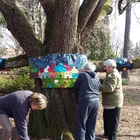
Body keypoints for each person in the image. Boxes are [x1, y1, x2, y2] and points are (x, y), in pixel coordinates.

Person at [73, 62, 101, 140]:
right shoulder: (96, 77)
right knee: (91, 123)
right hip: (96, 101)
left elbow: (75, 87)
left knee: (81, 123)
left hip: (85, 100)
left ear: (85, 69)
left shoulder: (83, 75)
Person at [99, 59, 124, 140]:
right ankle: (107, 134)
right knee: (107, 118)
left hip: (114, 102)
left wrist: (96, 86)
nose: (104, 69)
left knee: (113, 122)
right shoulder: (110, 74)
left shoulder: (113, 76)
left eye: (105, 67)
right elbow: (106, 82)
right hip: (109, 102)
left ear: (111, 67)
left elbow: (109, 88)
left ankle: (112, 137)